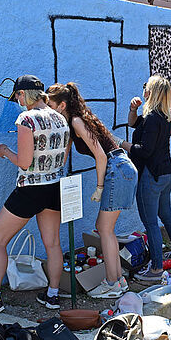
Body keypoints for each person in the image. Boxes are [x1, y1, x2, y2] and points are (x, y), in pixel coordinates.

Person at [0, 75, 70, 313]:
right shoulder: (61, 119)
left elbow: (24, 162)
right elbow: (62, 157)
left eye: (16, 97)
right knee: (52, 243)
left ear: (23, 94)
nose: (17, 101)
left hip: (30, 189)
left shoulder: (26, 118)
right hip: (54, 187)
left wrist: (4, 152)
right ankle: (53, 295)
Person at [46, 82, 138, 298]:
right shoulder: (73, 122)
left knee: (104, 228)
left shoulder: (77, 121)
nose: (48, 109)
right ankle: (118, 281)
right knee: (106, 228)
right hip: (122, 167)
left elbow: (101, 155)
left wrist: (99, 187)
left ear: (61, 105)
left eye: (50, 104)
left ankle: (112, 282)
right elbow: (64, 154)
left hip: (117, 167)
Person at [121, 75, 171, 282]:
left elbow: (144, 151)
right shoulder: (161, 116)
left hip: (152, 175)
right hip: (167, 173)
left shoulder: (152, 119)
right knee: (166, 214)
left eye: (145, 87)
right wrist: (132, 110)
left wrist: (120, 144)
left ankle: (156, 268)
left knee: (150, 222)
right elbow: (134, 124)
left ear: (152, 92)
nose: (143, 91)